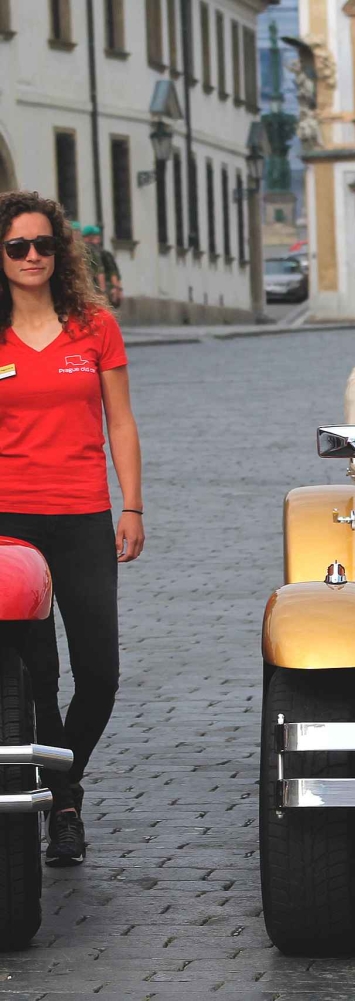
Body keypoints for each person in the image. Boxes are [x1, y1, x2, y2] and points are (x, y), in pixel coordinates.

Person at [0, 191, 144, 866]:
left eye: (42, 245)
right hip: (9, 523)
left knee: (100, 673)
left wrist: (132, 505)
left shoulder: (93, 324)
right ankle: (63, 807)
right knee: (37, 674)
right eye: (17, 247)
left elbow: (120, 420)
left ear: (61, 251)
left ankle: (62, 777)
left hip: (83, 515)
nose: (32, 257)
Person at [79, 224, 122, 309]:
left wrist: (104, 291)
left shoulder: (94, 251)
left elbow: (103, 271)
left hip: (96, 288)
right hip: (94, 288)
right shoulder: (95, 251)